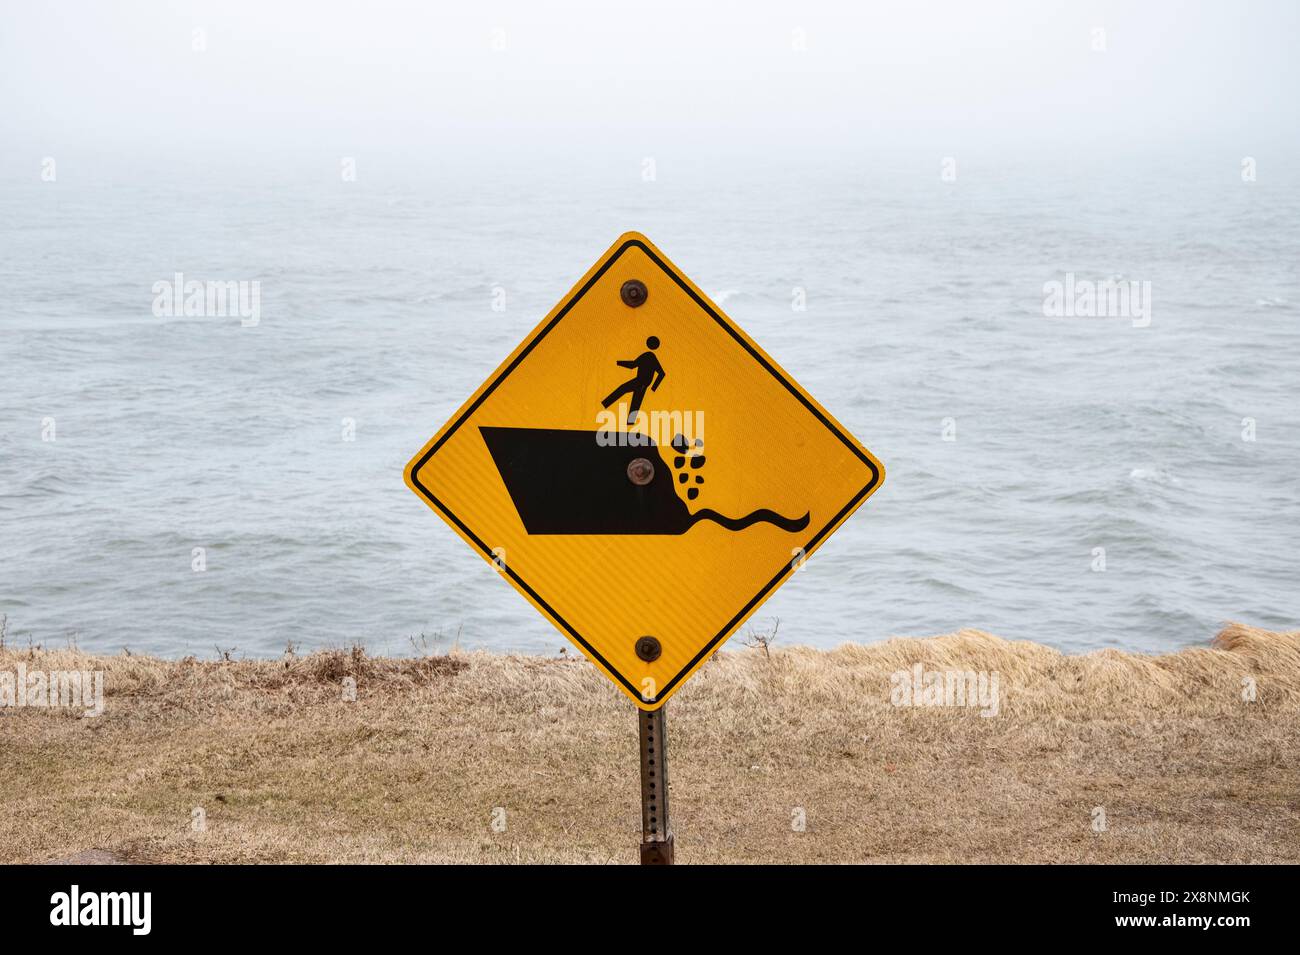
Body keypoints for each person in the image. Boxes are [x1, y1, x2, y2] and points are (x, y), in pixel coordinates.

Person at [601, 336, 665, 425]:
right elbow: (633, 365)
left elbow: (661, 373)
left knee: (626, 393)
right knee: (634, 401)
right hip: (641, 382)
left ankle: (604, 405)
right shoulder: (648, 356)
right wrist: (651, 386)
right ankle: (629, 422)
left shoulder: (649, 356)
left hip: (640, 382)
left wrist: (653, 387)